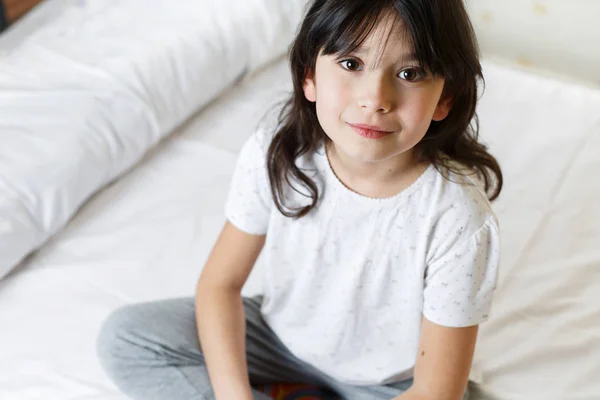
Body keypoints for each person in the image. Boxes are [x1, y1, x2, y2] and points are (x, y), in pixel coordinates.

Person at [96, 0, 503, 399]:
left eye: (410, 73)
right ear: (309, 76)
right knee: (126, 339)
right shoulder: (277, 155)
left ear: (446, 98)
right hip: (278, 340)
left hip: (388, 382)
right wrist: (233, 394)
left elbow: (436, 390)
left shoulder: (458, 216)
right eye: (351, 64)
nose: (376, 98)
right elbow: (220, 284)